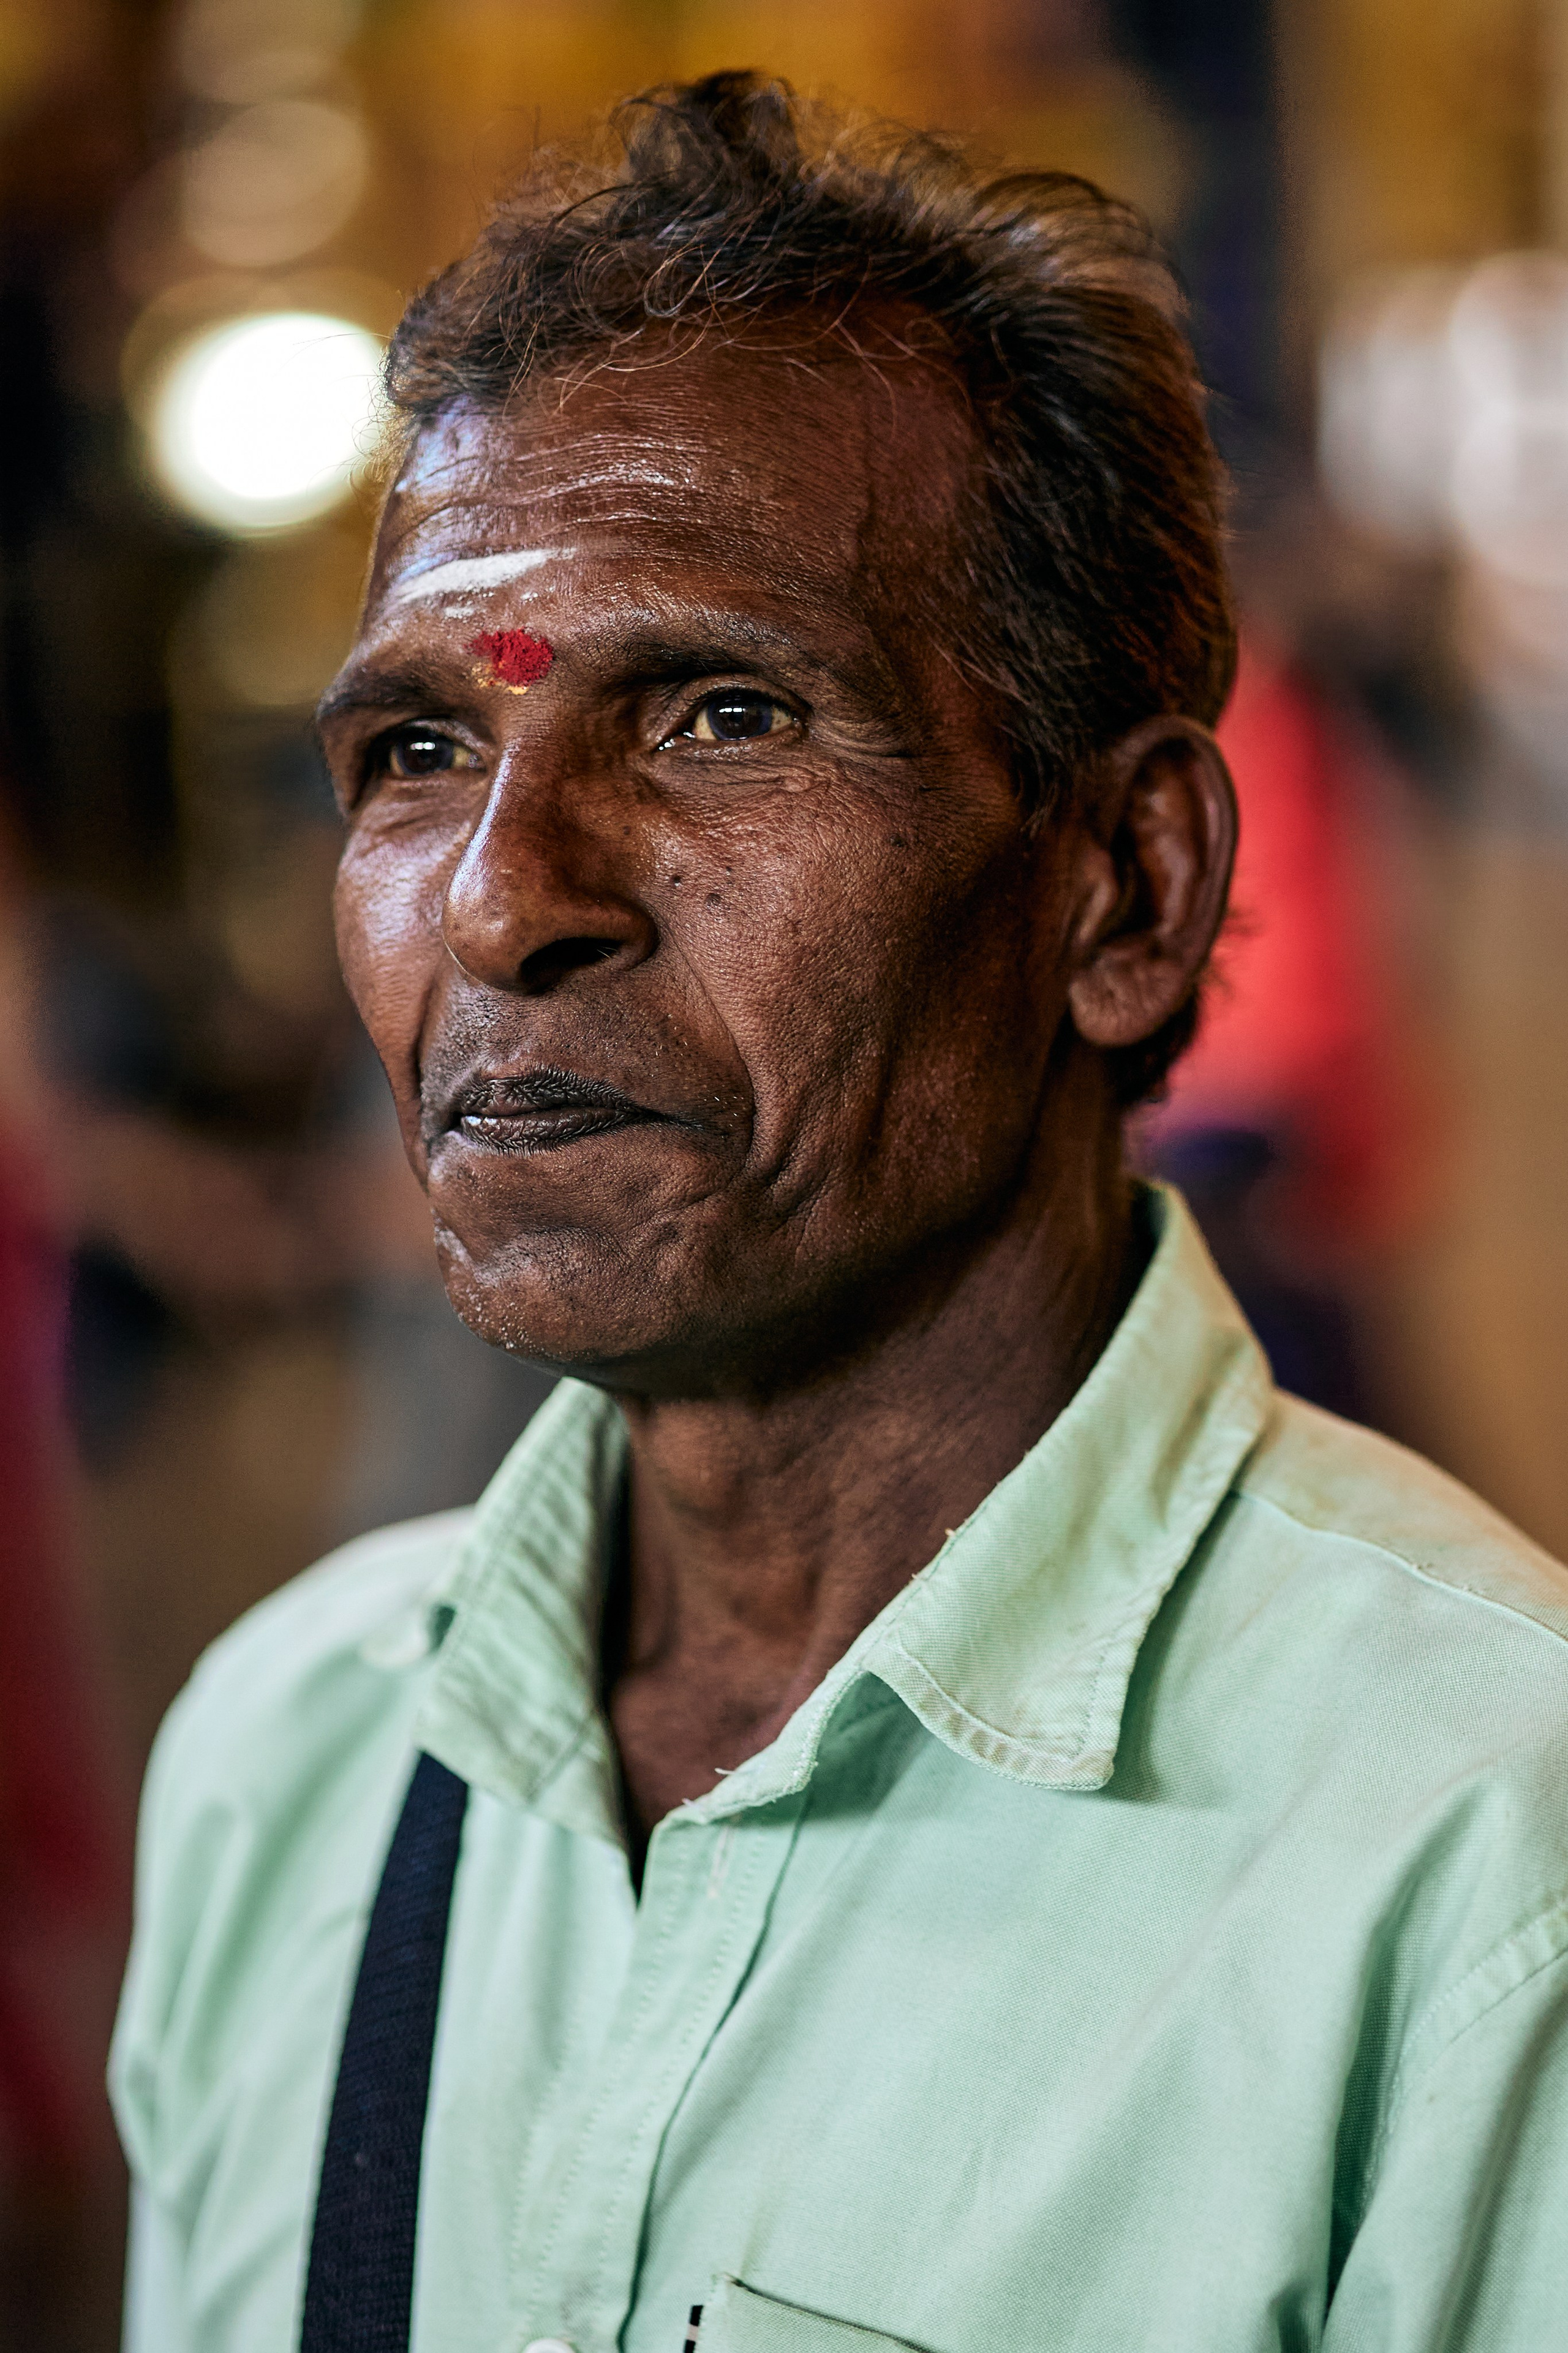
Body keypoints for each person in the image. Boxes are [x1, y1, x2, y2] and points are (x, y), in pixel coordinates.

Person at [111, 74, 1568, 2353]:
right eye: (415, 753)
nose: (500, 905)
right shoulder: (290, 1765)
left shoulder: (1480, 1868)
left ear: (1130, 886)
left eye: (718, 715)